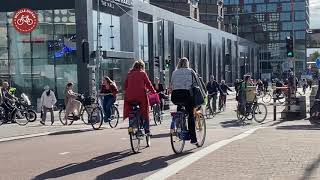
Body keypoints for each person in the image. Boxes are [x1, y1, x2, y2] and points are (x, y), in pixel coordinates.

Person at [170, 57, 205, 144]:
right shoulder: (190, 71)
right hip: (186, 95)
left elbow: (171, 85)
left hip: (175, 96)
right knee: (190, 115)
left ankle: (180, 125)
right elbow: (198, 84)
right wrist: (204, 95)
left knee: (180, 107)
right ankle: (193, 139)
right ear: (187, 64)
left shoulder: (174, 72)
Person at [123, 60, 156, 135]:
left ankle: (131, 127)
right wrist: (154, 91)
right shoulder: (142, 73)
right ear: (142, 66)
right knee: (145, 111)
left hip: (129, 97)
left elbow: (125, 86)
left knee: (131, 110)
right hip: (140, 97)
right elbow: (148, 84)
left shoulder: (129, 74)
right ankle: (147, 129)